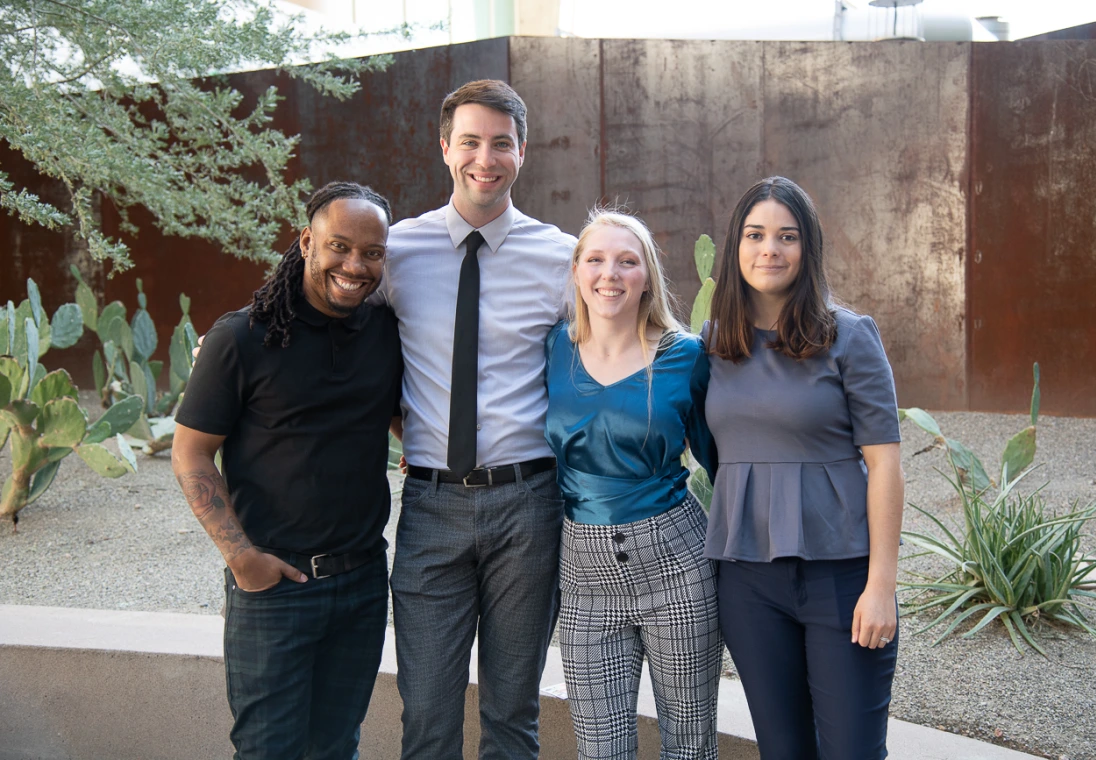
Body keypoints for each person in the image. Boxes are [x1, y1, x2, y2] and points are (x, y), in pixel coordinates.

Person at [375, 79, 576, 759]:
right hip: (431, 507)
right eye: (469, 142)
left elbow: (612, 360)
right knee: (427, 711)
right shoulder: (395, 252)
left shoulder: (563, 258)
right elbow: (339, 340)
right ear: (444, 148)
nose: (483, 158)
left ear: (523, 151)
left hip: (529, 507)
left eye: (500, 143)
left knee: (512, 711)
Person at [171, 182, 402, 760]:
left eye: (371, 253)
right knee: (267, 751)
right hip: (275, 586)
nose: (354, 265)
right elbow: (191, 454)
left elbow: (404, 418)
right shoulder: (238, 338)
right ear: (307, 242)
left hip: (362, 582)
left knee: (336, 748)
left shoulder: (384, 332)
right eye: (339, 247)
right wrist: (242, 560)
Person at [703, 176, 904, 759]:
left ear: (806, 248)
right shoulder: (710, 346)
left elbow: (886, 464)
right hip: (747, 582)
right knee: (783, 751)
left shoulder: (850, 337)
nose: (771, 249)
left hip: (841, 580)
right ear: (736, 246)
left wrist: (882, 586)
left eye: (787, 236)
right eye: (756, 234)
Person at [544, 210, 721, 759]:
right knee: (601, 750)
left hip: (676, 567)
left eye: (627, 261)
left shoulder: (685, 356)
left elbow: (723, 461)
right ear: (576, 271)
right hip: (584, 576)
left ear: (647, 276)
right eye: (595, 259)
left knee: (689, 744)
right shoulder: (553, 348)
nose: (610, 274)